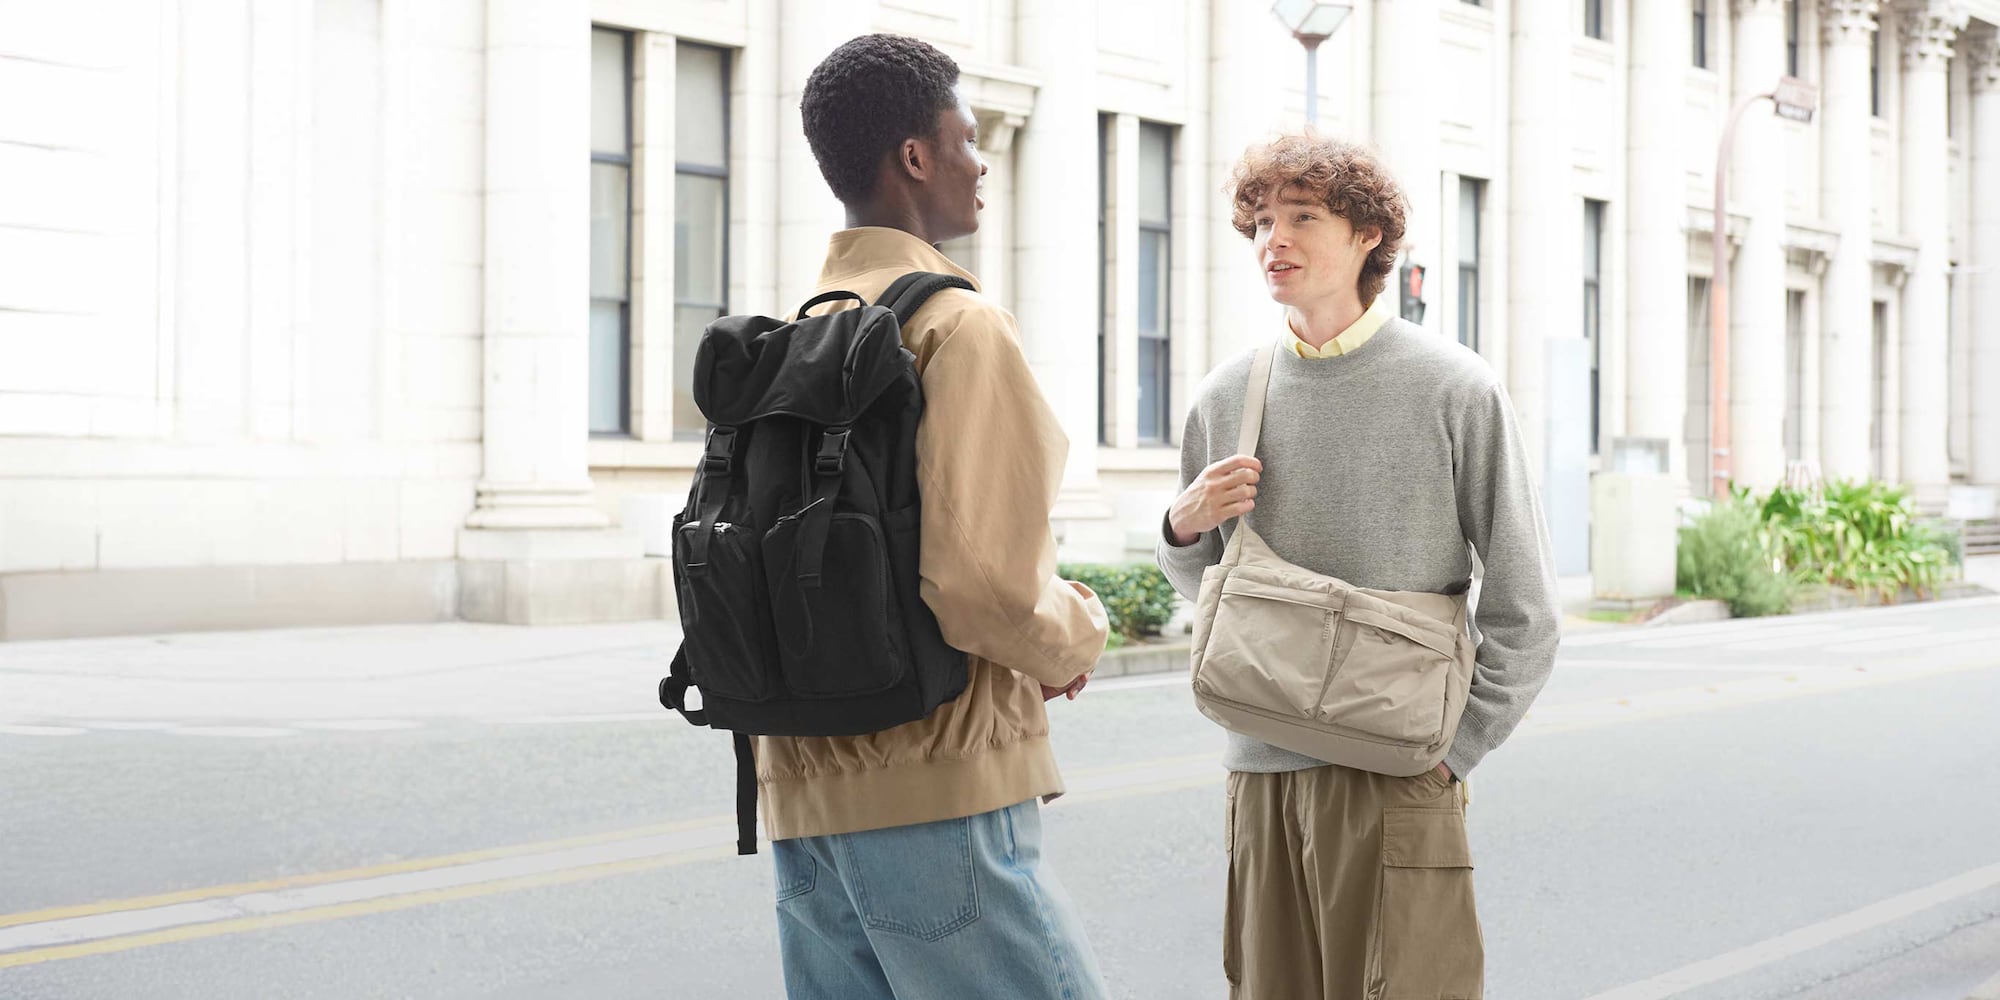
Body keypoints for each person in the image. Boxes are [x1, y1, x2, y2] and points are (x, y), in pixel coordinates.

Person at [1156, 131, 1561, 999]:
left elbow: (1525, 604)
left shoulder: (1456, 388)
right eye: (1262, 220)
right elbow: (1213, 585)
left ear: (1369, 235)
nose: (1276, 239)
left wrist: (1455, 751)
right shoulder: (1228, 395)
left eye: (1304, 216)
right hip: (1260, 763)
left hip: (1399, 770)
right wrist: (1181, 529)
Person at [760, 32, 1112, 1000]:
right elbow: (981, 588)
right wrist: (1073, 632)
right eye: (965, 136)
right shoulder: (953, 324)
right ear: (914, 157)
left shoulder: (806, 326)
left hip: (799, 788)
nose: (979, 158)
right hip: (934, 782)